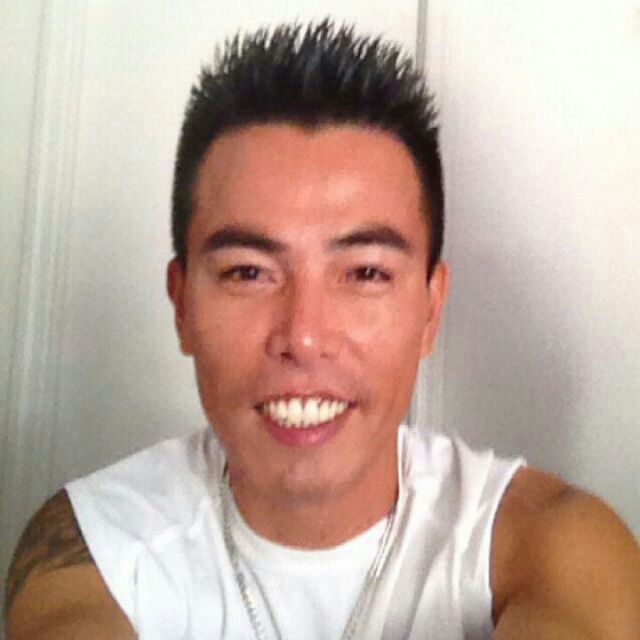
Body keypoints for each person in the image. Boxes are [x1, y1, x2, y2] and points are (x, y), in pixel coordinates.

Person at [5, 19, 640, 640]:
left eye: (365, 272)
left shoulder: (552, 543)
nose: (303, 336)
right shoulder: (95, 547)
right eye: (248, 272)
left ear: (430, 310)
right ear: (182, 307)